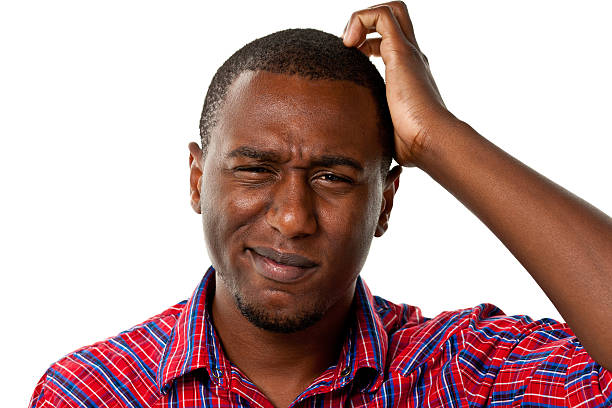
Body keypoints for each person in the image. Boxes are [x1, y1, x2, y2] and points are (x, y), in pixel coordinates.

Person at [28, 2, 611, 407]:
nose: (291, 218)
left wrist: (437, 137)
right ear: (198, 180)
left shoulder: (463, 374)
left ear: (385, 204)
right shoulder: (92, 393)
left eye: (333, 177)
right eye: (256, 170)